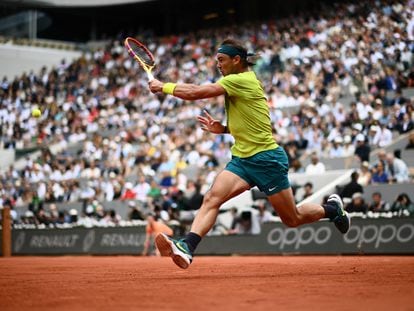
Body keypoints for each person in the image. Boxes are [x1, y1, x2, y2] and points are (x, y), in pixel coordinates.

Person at [149, 38, 349, 269]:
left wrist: (163, 86)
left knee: (292, 219)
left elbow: (195, 92)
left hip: (267, 159)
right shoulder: (236, 82)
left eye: (222, 60)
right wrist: (223, 128)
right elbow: (252, 123)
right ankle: (188, 246)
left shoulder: (241, 80)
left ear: (237, 60)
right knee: (212, 198)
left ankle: (333, 209)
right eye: (217, 61)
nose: (218, 65)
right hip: (242, 160)